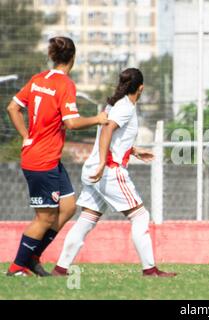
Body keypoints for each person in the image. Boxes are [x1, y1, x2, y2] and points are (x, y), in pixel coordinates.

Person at [51, 68, 176, 277]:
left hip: (95, 169)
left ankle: (60, 269)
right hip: (108, 170)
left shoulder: (114, 105)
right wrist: (102, 163)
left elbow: (114, 136)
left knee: (87, 218)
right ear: (141, 88)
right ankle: (150, 270)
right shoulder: (125, 107)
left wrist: (134, 151)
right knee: (140, 216)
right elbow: (108, 129)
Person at [6, 37, 108, 276]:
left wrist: (26, 135)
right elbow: (71, 122)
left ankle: (32, 257)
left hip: (47, 158)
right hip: (42, 161)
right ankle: (17, 267)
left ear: (52, 57)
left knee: (68, 207)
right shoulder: (65, 84)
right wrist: (97, 119)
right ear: (73, 57)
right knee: (44, 217)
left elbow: (13, 107)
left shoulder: (39, 79)